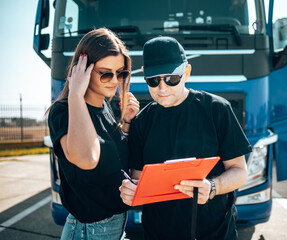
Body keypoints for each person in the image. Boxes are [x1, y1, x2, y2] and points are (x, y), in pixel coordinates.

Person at [119, 36, 252, 240]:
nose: (162, 88)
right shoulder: (142, 122)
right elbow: (138, 180)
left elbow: (240, 171)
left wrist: (213, 187)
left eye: (171, 78)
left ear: (186, 72)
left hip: (216, 233)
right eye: (154, 81)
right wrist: (132, 192)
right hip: (158, 234)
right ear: (145, 76)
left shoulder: (217, 109)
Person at [48, 28, 139, 240]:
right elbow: (88, 158)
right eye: (106, 73)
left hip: (115, 223)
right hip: (89, 230)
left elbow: (115, 160)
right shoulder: (63, 112)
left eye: (121, 73)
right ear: (83, 70)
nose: (115, 80)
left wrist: (126, 123)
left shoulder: (106, 107)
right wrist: (77, 95)